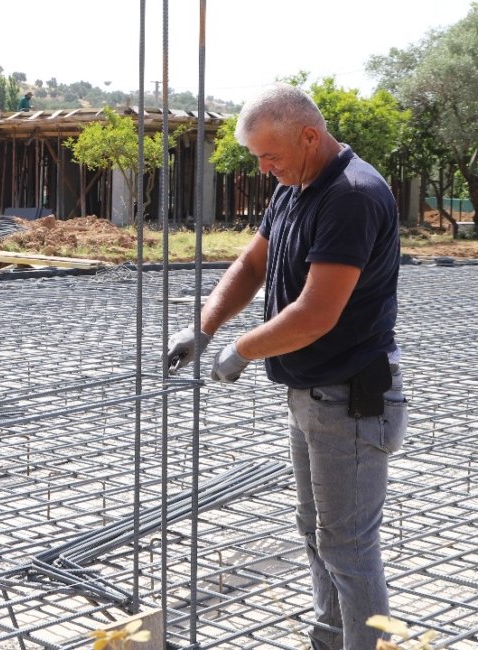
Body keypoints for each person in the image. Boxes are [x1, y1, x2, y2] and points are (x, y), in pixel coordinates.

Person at [167, 83, 406, 650]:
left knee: (347, 546)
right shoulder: (295, 187)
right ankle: (329, 640)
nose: (265, 168)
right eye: (258, 158)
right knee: (319, 534)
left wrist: (243, 350)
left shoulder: (351, 194)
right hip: (311, 395)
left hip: (349, 399)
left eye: (271, 155)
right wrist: (204, 327)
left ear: (309, 136)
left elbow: (317, 313)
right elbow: (252, 265)